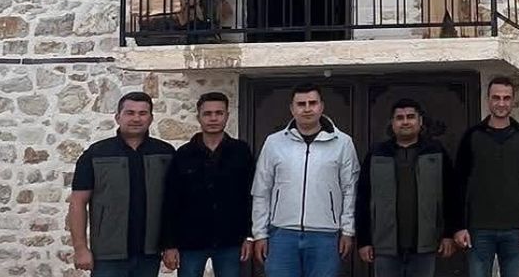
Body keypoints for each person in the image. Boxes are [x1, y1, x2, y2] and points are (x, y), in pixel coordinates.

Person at [250, 84, 360, 277]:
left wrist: (347, 231)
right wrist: (260, 233)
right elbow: (261, 190)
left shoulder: (343, 143)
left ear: (321, 106)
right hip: (282, 234)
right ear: (292, 109)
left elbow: (349, 190)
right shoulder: (274, 143)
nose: (307, 109)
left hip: (326, 236)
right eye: (301, 104)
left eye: (312, 103)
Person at [67, 91, 175, 277]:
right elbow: (77, 202)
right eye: (130, 113)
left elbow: (175, 203)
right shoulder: (96, 154)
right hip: (107, 255)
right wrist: (80, 248)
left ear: (151, 118)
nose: (136, 118)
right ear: (118, 117)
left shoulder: (165, 154)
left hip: (149, 254)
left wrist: (171, 244)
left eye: (142, 113)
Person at [356, 98, 458, 277]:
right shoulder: (377, 153)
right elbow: (363, 198)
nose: (405, 122)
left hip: (425, 245)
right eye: (399, 118)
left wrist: (449, 234)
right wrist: (363, 241)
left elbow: (450, 195)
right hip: (385, 246)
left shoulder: (435, 152)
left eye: (410, 117)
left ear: (420, 121)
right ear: (392, 123)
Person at [159, 91, 256, 277]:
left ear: (227, 116)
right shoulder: (183, 154)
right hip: (190, 240)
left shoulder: (241, 152)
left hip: (231, 239)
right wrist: (169, 244)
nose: (213, 118)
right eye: (207, 114)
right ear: (199, 117)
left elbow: (250, 195)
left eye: (219, 113)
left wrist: (249, 235)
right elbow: (171, 201)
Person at [454, 76, 519, 277]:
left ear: (513, 101)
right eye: (496, 98)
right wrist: (458, 226)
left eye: (506, 98)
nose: (501, 103)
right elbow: (458, 183)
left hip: (515, 229)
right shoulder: (472, 136)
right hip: (478, 228)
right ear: (488, 99)